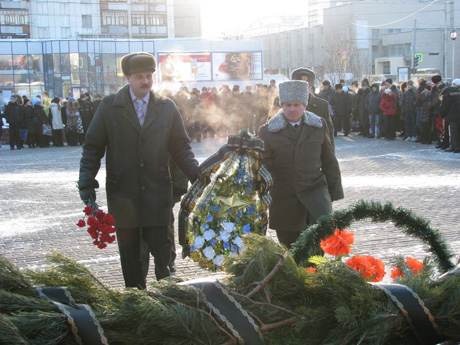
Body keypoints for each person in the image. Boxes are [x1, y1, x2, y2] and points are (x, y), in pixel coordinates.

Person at [78, 52, 200, 289]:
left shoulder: (166, 108)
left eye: (149, 76)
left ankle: (168, 309)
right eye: (139, 77)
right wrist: (86, 183)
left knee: (165, 263)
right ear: (128, 78)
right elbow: (92, 148)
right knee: (132, 267)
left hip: (158, 198)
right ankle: (137, 307)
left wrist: (198, 176)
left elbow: (181, 148)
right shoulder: (109, 107)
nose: (145, 81)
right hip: (124, 199)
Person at [259, 80, 344, 248]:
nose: (292, 109)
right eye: (288, 105)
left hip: (315, 198)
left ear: (304, 105)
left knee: (316, 252)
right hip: (285, 201)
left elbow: (329, 160)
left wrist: (332, 194)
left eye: (296, 104)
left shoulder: (319, 125)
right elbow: (264, 167)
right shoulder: (268, 131)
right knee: (290, 252)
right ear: (282, 106)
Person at [439, 78, 460, 153]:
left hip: (452, 116)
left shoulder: (448, 93)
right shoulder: (457, 92)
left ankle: (455, 147)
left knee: (453, 132)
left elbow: (444, 106)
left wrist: (442, 114)